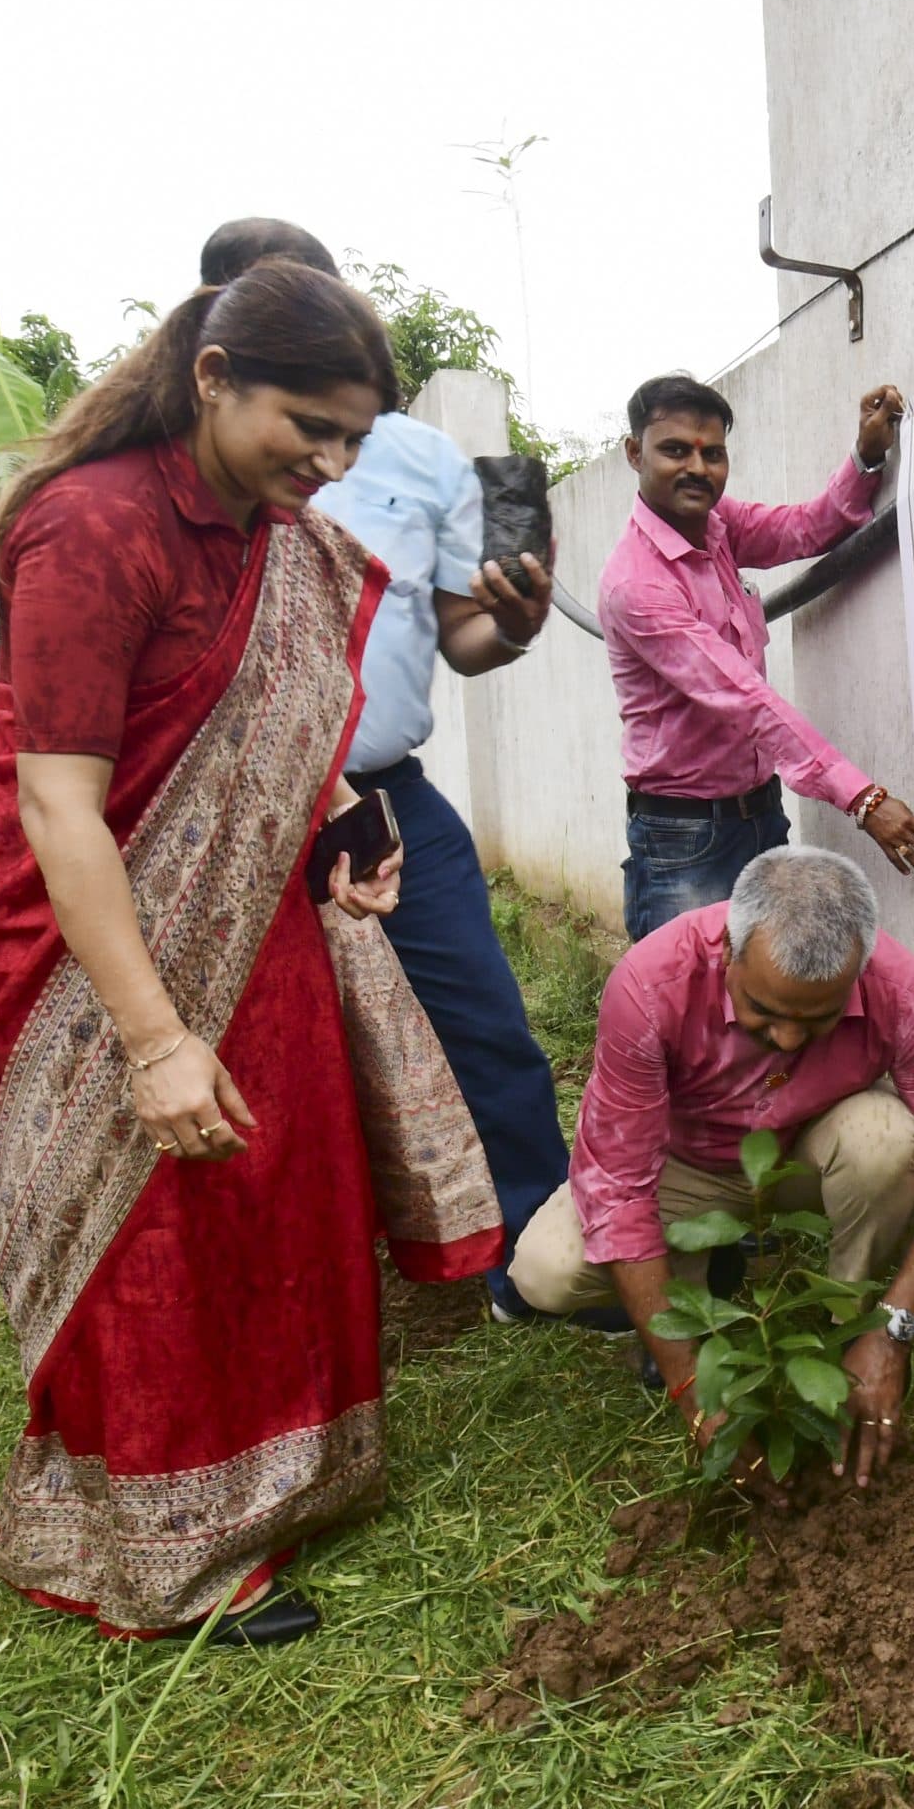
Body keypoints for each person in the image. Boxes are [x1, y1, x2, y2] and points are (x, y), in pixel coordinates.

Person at [0, 261, 504, 1647]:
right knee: (157, 1216)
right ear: (213, 377)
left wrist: (336, 819)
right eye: (307, 423)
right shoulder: (94, 527)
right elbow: (62, 801)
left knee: (276, 1179)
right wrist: (152, 1038)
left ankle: (285, 1474)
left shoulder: (269, 528)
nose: (331, 460)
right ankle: (163, 1548)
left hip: (243, 899)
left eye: (355, 437)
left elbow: (254, 727)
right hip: (73, 911)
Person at [196, 219, 576, 1323]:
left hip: (388, 798)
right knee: (273, 1061)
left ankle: (539, 1258)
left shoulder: (416, 457)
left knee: (487, 1031)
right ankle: (288, 1294)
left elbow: (461, 634)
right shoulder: (168, 474)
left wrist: (514, 627)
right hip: (228, 815)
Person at [506, 847, 914, 1490]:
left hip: (797, 1156)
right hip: (680, 1166)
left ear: (855, 974)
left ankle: (845, 1332)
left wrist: (894, 1330)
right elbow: (620, 1188)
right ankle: (699, 1292)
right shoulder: (652, 984)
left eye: (818, 1019)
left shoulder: (892, 986)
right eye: (765, 1013)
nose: (790, 1039)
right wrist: (690, 1389)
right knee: (545, 1273)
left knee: (885, 1140)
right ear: (728, 954)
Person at [599, 374, 914, 940]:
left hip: (760, 814)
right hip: (684, 839)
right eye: (675, 450)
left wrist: (866, 455)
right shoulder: (636, 585)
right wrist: (864, 798)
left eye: (712, 453)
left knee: (771, 999)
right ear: (635, 453)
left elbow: (805, 529)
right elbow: (745, 699)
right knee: (691, 1011)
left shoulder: (718, 526)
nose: (697, 468)